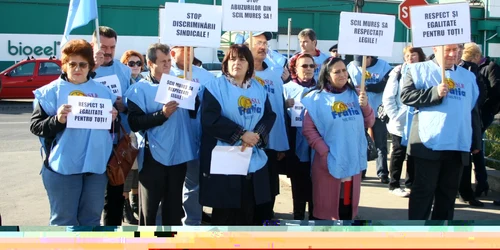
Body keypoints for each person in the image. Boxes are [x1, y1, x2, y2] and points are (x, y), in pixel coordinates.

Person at [30, 39, 118, 226]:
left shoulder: (103, 92)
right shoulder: (50, 92)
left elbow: (111, 131)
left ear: (90, 66)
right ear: (64, 65)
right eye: (72, 64)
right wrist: (58, 120)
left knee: (91, 221)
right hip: (63, 168)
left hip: (95, 168)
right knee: (64, 222)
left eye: (82, 64)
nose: (77, 68)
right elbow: (36, 126)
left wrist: (113, 119)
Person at [400, 44, 481, 220]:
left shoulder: (467, 76)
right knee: (423, 192)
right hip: (428, 143)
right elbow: (406, 96)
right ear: (436, 49)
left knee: (448, 194)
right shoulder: (417, 70)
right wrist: (434, 92)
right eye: (449, 49)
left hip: (458, 143)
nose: (454, 54)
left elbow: (472, 110)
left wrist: (476, 140)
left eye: (458, 49)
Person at [199, 44, 276, 225]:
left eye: (242, 59)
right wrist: (241, 134)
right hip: (226, 157)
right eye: (232, 59)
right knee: (226, 213)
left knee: (250, 210)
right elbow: (210, 120)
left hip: (253, 155)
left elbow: (269, 116)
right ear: (226, 63)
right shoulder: (214, 86)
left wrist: (256, 134)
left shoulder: (258, 88)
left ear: (249, 64)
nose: (237, 63)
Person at [126, 43, 197, 225]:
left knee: (173, 208)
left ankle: (170, 243)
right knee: (149, 210)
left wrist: (193, 98)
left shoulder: (180, 84)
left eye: (169, 61)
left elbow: (193, 114)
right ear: (150, 63)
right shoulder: (139, 89)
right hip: (153, 156)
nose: (167, 65)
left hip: (179, 154)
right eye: (163, 61)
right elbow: (135, 123)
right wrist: (162, 114)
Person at [302, 57, 375, 220]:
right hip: (327, 163)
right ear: (327, 75)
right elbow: (308, 130)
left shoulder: (357, 94)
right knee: (327, 211)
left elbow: (369, 122)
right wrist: (326, 153)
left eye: (344, 70)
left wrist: (365, 106)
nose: (342, 74)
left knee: (346, 208)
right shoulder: (315, 98)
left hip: (352, 161)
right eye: (337, 72)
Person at [245, 31, 289, 224]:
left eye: (265, 43)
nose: (262, 46)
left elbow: (278, 108)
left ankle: (265, 224)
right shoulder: (240, 72)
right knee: (248, 190)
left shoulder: (274, 73)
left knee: (269, 189)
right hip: (247, 141)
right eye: (258, 42)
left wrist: (281, 143)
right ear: (248, 45)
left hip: (271, 142)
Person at [169, 46, 215, 226]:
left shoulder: (205, 75)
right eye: (184, 49)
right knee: (170, 185)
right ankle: (167, 222)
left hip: (196, 138)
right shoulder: (166, 72)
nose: (190, 53)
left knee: (193, 184)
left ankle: (192, 222)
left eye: (191, 49)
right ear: (173, 53)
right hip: (170, 140)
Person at [91, 26, 132, 226]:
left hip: (116, 145)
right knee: (90, 201)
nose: (107, 51)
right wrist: (92, 69)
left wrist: (122, 105)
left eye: (112, 47)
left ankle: (112, 239)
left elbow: (131, 103)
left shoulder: (123, 70)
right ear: (93, 45)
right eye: (103, 46)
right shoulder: (84, 68)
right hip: (90, 145)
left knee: (115, 197)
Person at [382, 45, 425, 197]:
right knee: (398, 152)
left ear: (420, 56)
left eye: (413, 55)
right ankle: (393, 184)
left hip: (419, 120)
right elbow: (388, 96)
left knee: (414, 153)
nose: (410, 58)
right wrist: (396, 115)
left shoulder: (425, 70)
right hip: (401, 120)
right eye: (407, 55)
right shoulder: (398, 72)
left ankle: (410, 183)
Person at [462, 42, 500, 201]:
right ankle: (481, 182)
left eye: (470, 58)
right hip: (475, 113)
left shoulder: (490, 67)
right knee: (475, 147)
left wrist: (485, 110)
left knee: (474, 146)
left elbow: (495, 91)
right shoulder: (472, 68)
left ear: (477, 56)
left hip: (483, 113)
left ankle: (481, 182)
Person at [347, 55, 392, 182]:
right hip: (359, 111)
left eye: (363, 62)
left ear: (370, 57)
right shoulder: (351, 66)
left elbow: (384, 85)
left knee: (380, 143)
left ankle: (382, 172)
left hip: (378, 111)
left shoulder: (384, 66)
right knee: (361, 142)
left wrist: (366, 87)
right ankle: (361, 170)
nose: (360, 66)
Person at [283, 53, 316, 220]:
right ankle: (298, 217)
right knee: (298, 185)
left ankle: (314, 219)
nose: (308, 69)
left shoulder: (321, 88)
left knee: (315, 187)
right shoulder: (286, 88)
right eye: (304, 66)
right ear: (295, 69)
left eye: (311, 66)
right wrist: (284, 105)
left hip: (317, 147)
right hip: (295, 144)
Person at [455, 43, 486, 207]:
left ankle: (466, 194)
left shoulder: (471, 69)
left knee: (465, 161)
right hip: (445, 124)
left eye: (460, 49)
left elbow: (480, 93)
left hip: (467, 120)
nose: (457, 52)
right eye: (454, 48)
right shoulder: (436, 66)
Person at [119, 50, 146, 224]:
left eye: (138, 63)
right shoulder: (122, 82)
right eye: (131, 63)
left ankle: (136, 203)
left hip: (141, 133)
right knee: (127, 169)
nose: (135, 66)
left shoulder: (145, 82)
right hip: (125, 130)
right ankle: (125, 206)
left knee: (139, 170)